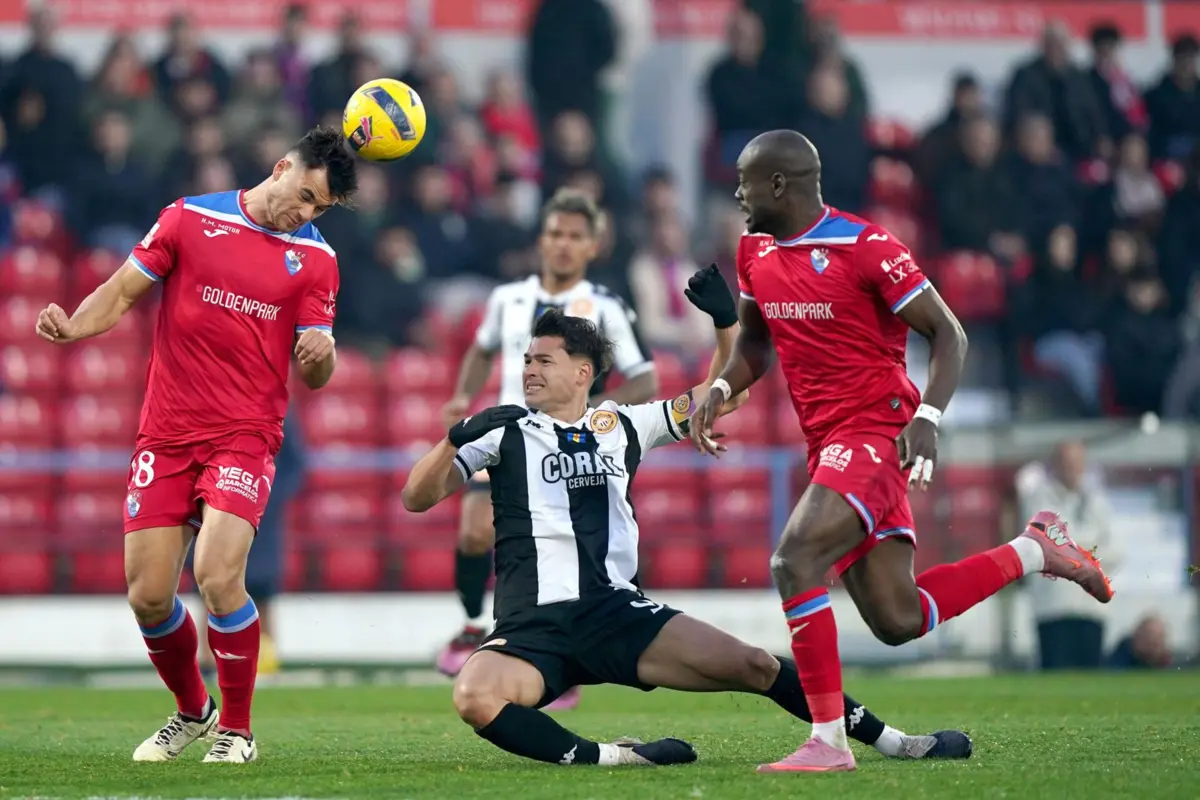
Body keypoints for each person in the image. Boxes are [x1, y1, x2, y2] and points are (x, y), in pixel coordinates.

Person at [402, 289, 973, 768]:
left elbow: (727, 396)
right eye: (527, 359)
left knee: (755, 665)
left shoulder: (622, 424)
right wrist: (455, 437)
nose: (527, 369)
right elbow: (416, 498)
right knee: (474, 696)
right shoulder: (502, 432)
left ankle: (895, 742)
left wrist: (727, 324)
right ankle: (615, 757)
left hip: (614, 613)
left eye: (542, 361)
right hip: (532, 626)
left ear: (582, 373)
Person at [689, 129, 1113, 773]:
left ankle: (827, 743)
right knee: (897, 617)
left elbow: (950, 333)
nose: (738, 195)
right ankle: (1035, 549)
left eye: (745, 181)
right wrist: (719, 388)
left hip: (876, 430)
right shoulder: (755, 251)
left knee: (793, 559)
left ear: (779, 183)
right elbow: (755, 344)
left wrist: (928, 416)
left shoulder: (867, 247)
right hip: (825, 441)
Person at [34, 127, 357, 763]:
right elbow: (123, 291)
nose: (306, 212)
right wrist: (75, 327)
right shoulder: (189, 218)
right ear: (282, 166)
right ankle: (192, 712)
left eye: (320, 207)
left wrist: (322, 355)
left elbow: (315, 373)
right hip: (167, 432)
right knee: (148, 594)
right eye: (306, 196)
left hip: (246, 436)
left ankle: (237, 731)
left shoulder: (316, 260)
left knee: (216, 572)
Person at [437, 189, 659, 712]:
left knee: (564, 559)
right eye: (555, 233)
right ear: (542, 239)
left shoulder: (603, 306)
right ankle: (472, 626)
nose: (563, 244)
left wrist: (596, 411)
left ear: (592, 245)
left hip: (571, 452)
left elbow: (646, 377)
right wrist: (463, 396)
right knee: (473, 531)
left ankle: (564, 655)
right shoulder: (506, 298)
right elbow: (482, 348)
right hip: (509, 443)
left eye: (575, 236)